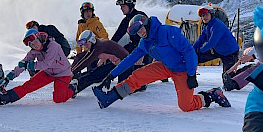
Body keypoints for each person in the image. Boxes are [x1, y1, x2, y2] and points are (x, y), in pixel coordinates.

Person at [92, 14, 230, 111]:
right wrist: (110, 76)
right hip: (165, 66)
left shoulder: (167, 32)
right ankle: (109, 97)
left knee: (185, 106)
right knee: (138, 76)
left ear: (146, 24)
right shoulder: (144, 43)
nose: (141, 33)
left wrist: (191, 74)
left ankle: (211, 95)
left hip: (182, 68)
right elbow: (129, 59)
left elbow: (189, 51)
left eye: (141, 29)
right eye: (137, 32)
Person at [0, 29, 74, 106]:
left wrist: (30, 66)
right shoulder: (34, 51)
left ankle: (73, 87)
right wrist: (10, 76)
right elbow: (22, 63)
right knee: (27, 87)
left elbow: (46, 64)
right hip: (48, 73)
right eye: (31, 45)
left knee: (58, 99)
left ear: (38, 37)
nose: (34, 45)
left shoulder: (53, 46)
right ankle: (6, 98)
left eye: (34, 41)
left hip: (63, 73)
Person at [69, 30, 130, 95]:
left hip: (126, 64)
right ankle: (77, 83)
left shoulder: (98, 47)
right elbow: (84, 59)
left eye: (86, 44)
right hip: (117, 62)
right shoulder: (96, 44)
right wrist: (72, 71)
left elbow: (87, 61)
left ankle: (75, 87)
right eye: (83, 45)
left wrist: (73, 72)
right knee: (95, 74)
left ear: (91, 40)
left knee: (95, 75)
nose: (85, 46)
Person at [193, 7, 240, 89]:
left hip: (230, 52)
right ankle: (190, 77)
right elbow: (201, 39)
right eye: (202, 15)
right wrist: (192, 50)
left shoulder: (217, 25)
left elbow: (211, 42)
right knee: (194, 57)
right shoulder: (207, 26)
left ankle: (245, 71)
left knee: (228, 83)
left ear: (211, 15)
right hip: (218, 50)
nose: (204, 17)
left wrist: (200, 51)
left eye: (206, 15)